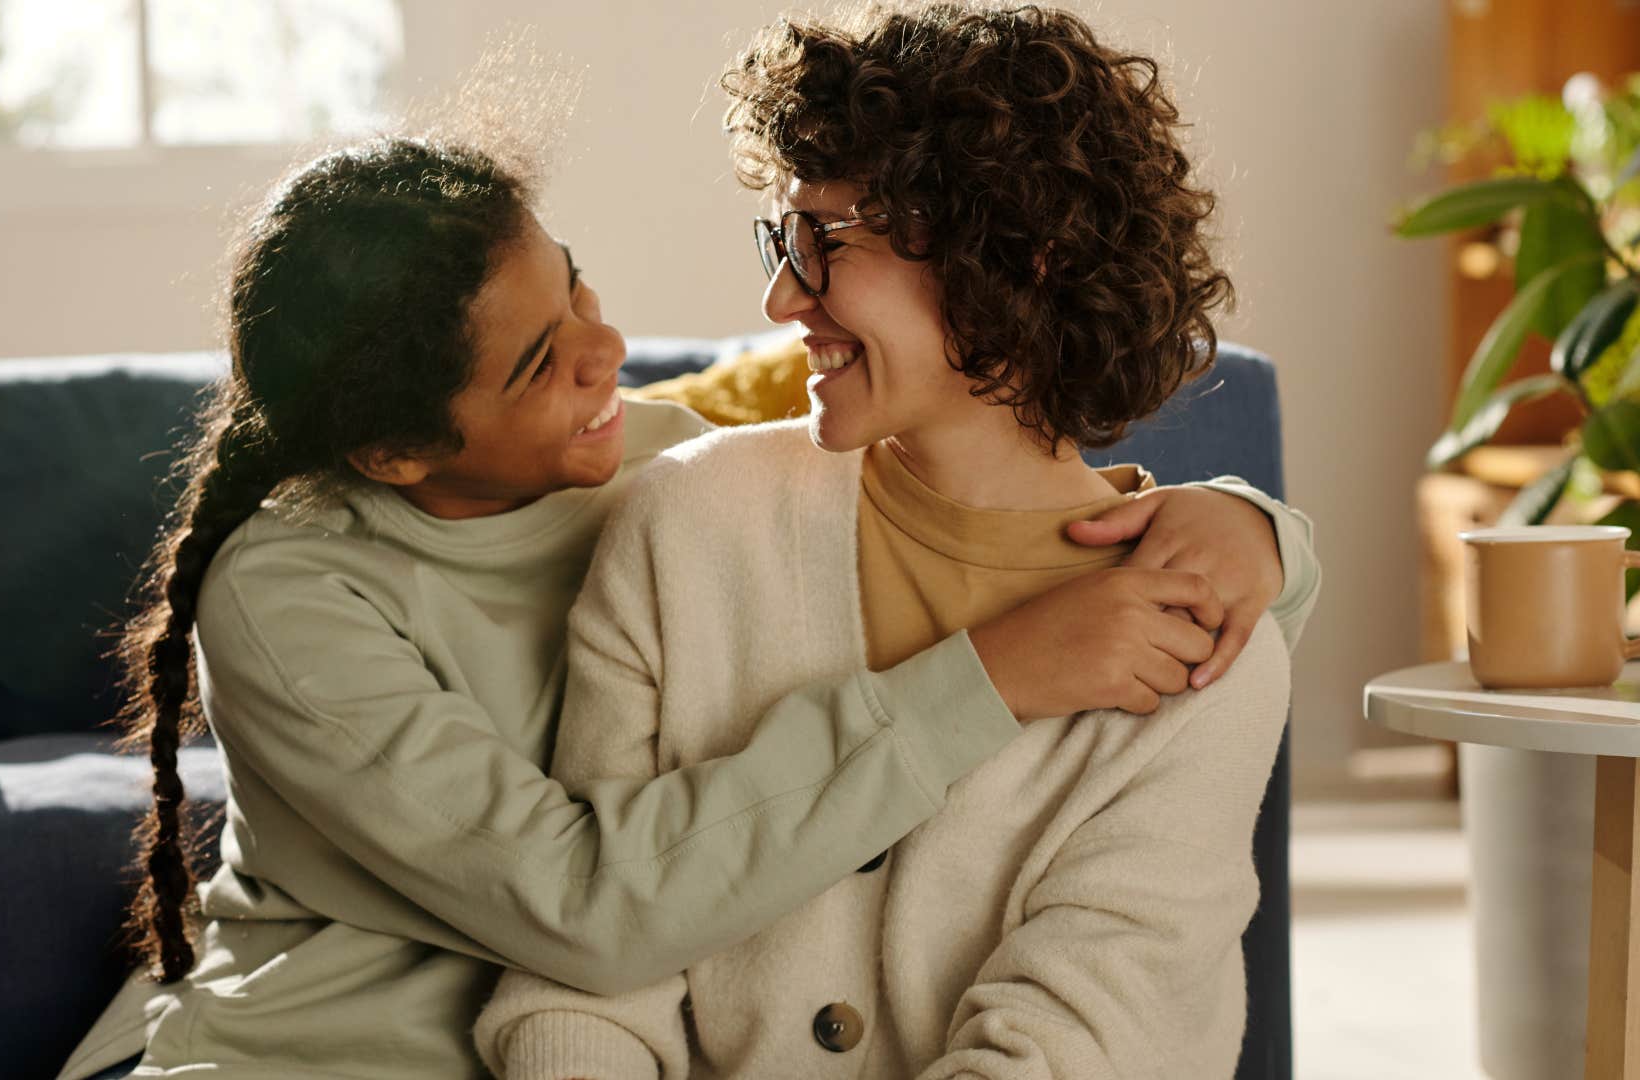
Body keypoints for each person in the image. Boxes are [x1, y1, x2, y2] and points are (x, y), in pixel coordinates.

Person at [58, 131, 1313, 1078]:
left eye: (579, 290)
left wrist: (1258, 531)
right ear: (395, 452)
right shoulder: (290, 598)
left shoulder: (654, 466)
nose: (607, 352)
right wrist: (990, 677)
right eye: (540, 362)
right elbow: (589, 912)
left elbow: (930, 503)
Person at [474, 5, 1316, 1079]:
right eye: (783, 239)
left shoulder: (1204, 650)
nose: (781, 296)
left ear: (1024, 258)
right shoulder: (690, 522)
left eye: (826, 242)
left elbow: (1070, 1048)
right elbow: (583, 975)